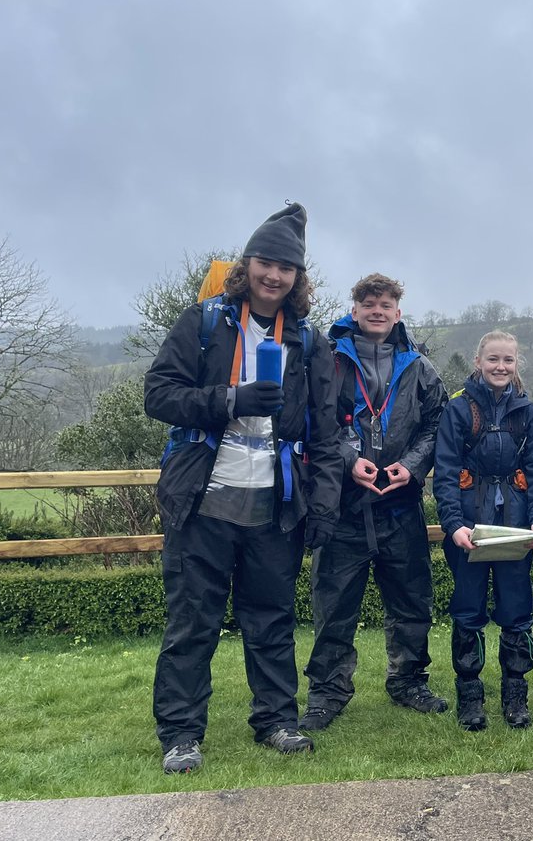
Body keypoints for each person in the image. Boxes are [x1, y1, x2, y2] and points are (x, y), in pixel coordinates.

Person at [145, 202, 343, 773]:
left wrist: (324, 505)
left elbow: (326, 433)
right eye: (265, 262)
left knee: (272, 619)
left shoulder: (311, 343)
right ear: (246, 264)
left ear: (297, 278)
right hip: (202, 504)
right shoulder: (202, 323)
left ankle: (277, 721)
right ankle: (181, 734)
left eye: (286, 268)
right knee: (192, 623)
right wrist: (228, 401)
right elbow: (158, 394)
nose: (274, 276)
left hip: (274, 507)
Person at [302, 273, 449, 731]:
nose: (378, 311)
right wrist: (348, 460)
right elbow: (313, 419)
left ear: (398, 312)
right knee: (334, 605)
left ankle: (408, 681)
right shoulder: (327, 359)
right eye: (369, 304)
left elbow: (437, 424)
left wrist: (412, 465)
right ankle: (328, 692)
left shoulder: (420, 367)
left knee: (411, 600)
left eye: (386, 304)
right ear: (355, 309)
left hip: (399, 502)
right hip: (342, 503)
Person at [433, 331, 533, 730]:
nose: (500, 367)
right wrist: (452, 525)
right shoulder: (458, 409)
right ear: (478, 361)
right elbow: (446, 473)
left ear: (517, 364)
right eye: (493, 359)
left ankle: (515, 696)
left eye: (508, 360)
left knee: (516, 609)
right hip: (469, 527)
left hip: (515, 526)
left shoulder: (529, 412)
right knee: (468, 609)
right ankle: (470, 696)